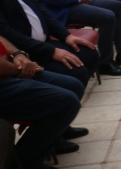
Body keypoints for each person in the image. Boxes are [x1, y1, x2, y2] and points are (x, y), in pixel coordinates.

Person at [0, 35, 85, 169]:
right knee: (67, 103)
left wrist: (17, 54)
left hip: (8, 71)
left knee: (73, 85)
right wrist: (20, 70)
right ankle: (21, 164)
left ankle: (51, 141)